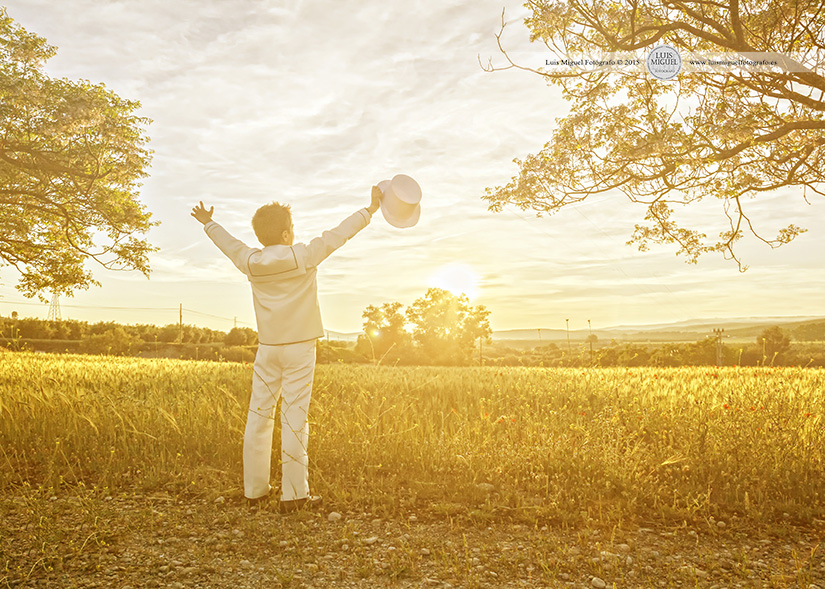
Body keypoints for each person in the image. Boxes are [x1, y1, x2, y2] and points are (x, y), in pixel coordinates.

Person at [191, 186, 381, 512]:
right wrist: (370, 210)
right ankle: (294, 496)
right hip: (300, 349)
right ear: (285, 232)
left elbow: (229, 245)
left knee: (259, 415)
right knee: (295, 418)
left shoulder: (250, 261)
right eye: (291, 229)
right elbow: (338, 235)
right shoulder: (303, 255)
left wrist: (209, 223)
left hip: (268, 349)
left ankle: (255, 490)